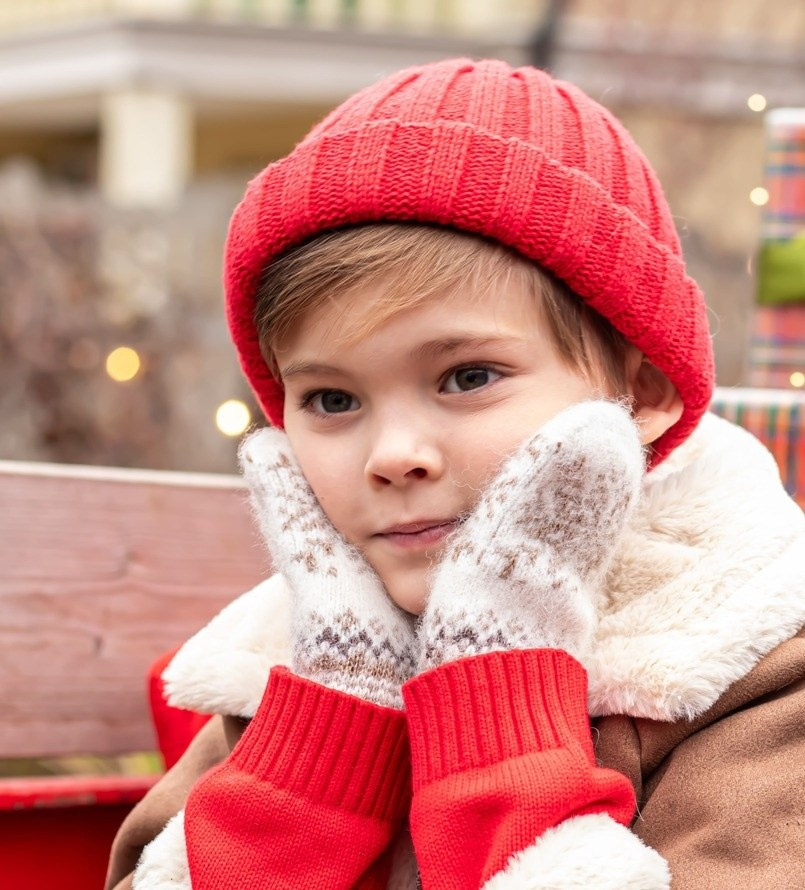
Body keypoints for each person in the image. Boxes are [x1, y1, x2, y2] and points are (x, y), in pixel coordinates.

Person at [106, 58, 805, 890]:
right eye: (332, 398)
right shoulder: (304, 661)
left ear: (642, 389)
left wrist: (500, 695)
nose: (393, 454)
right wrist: (326, 742)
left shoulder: (749, 673)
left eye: (467, 377)